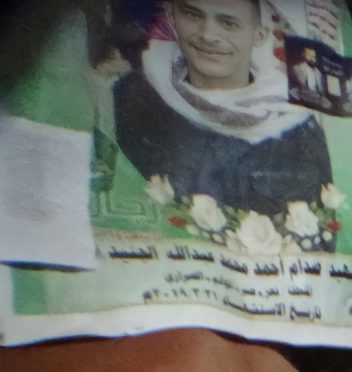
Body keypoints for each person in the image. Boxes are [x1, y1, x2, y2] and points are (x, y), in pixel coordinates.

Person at [114, 0, 332, 217]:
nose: (207, 35)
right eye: (193, 15)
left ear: (259, 35)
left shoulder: (292, 122)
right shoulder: (139, 97)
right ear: (173, 18)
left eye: (229, 23)